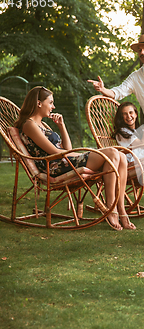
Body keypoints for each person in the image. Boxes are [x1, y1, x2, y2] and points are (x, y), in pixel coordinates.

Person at [14, 86, 135, 231]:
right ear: (39, 103)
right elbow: (54, 152)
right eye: (51, 102)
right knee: (113, 153)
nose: (53, 106)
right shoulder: (29, 125)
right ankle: (111, 208)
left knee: (120, 155)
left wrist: (62, 126)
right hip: (53, 167)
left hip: (63, 160)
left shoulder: (43, 126)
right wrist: (84, 154)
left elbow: (67, 149)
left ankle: (120, 209)